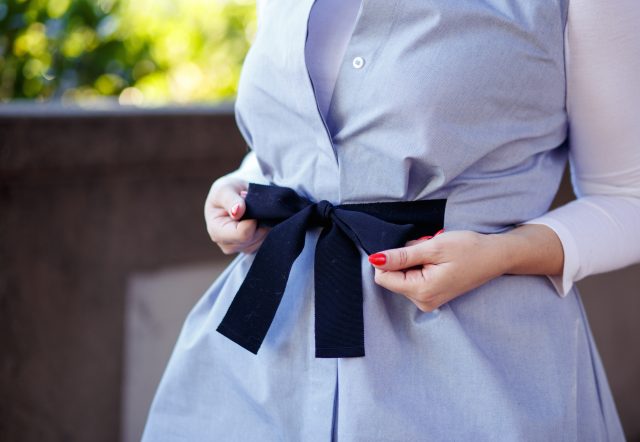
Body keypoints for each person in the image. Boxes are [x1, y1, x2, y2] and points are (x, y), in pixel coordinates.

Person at [142, 0, 640, 440]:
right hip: (259, 365)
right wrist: (242, 185)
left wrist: (501, 254)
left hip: (475, 379)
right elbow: (305, 144)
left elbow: (628, 197)